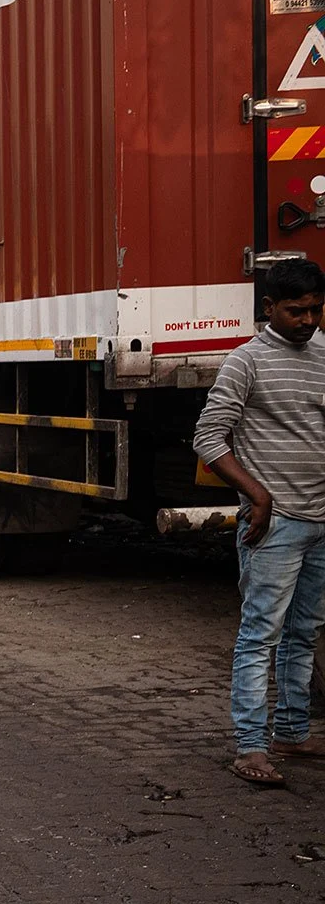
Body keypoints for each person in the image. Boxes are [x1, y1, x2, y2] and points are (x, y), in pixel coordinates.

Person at [191, 258, 325, 788]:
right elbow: (208, 437)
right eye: (296, 311)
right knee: (260, 634)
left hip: (320, 518)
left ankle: (292, 732)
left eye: (316, 309)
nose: (308, 320)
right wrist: (257, 494)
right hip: (275, 525)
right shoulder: (245, 362)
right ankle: (251, 746)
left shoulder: (324, 354)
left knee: (305, 631)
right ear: (269, 308)